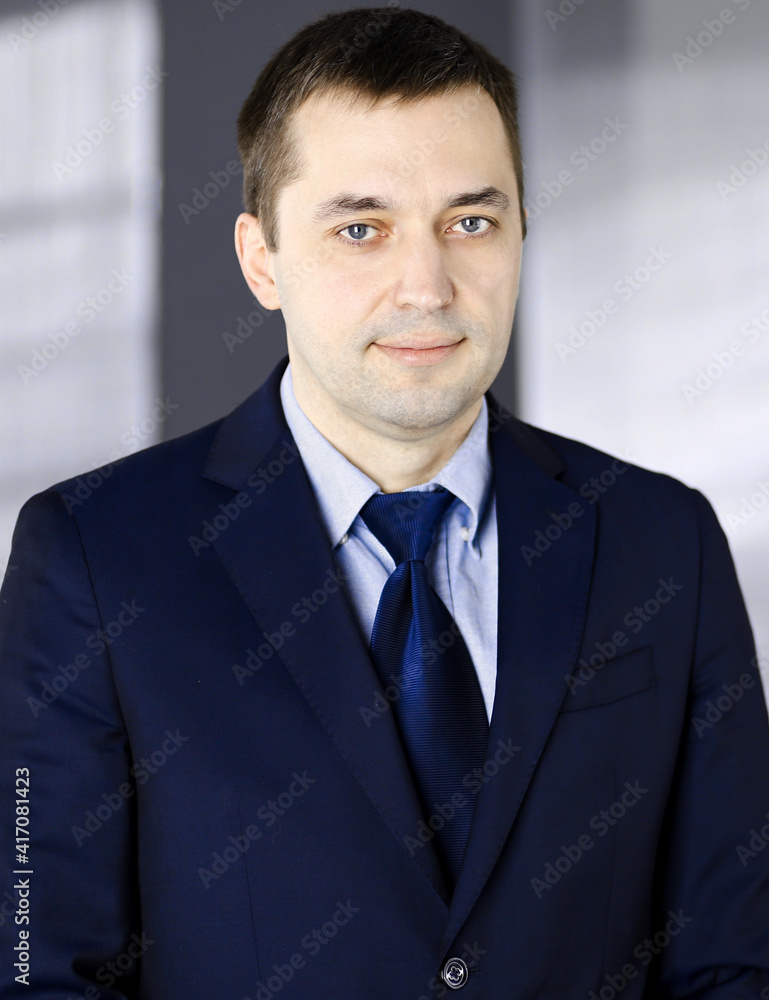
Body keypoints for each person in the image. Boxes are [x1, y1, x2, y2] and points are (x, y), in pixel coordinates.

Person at [1, 7, 768, 999]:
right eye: (360, 228)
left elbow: (735, 963)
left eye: (471, 221)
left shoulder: (664, 543)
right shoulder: (94, 557)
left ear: (521, 233)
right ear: (261, 260)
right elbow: (37, 968)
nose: (426, 285)